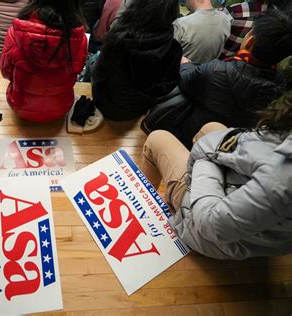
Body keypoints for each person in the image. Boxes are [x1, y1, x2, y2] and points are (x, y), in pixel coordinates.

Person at [140, 90, 292, 260]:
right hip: (264, 231)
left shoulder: (283, 178)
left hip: (212, 232)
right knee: (211, 127)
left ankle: (145, 214)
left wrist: (207, 158)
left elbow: (210, 224)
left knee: (157, 137)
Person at [145, 9, 291, 148]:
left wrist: (186, 64)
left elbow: (185, 79)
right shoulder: (280, 86)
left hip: (193, 137)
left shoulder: (217, 70)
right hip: (230, 145)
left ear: (249, 41)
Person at [91, 0, 182, 121]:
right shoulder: (174, 48)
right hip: (140, 108)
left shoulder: (119, 38)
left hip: (107, 106)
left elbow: (97, 72)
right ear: (173, 13)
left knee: (93, 61)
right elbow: (166, 86)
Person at [0, 0, 88, 122]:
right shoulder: (80, 38)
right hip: (61, 108)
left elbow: (5, 72)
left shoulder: (16, 32)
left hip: (20, 107)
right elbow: (75, 74)